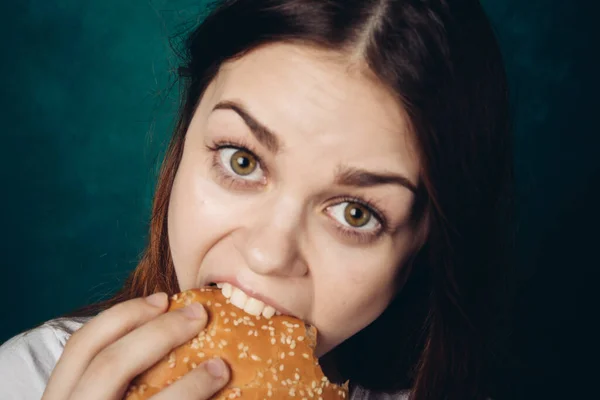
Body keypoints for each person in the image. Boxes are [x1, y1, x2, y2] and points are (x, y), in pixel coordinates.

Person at [0, 0, 515, 399]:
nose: (268, 255)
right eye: (241, 160)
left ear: (421, 246)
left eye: (356, 214)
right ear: (184, 139)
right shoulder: (26, 380)